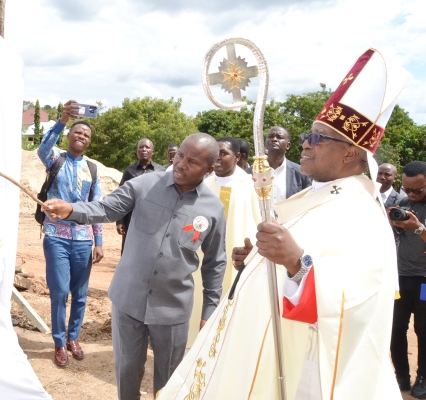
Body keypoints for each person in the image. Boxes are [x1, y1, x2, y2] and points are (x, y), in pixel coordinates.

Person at [158, 48, 405, 399]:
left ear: (351, 152)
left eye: (319, 137)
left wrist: (294, 261)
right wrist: (256, 261)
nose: (305, 142)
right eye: (309, 134)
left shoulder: (362, 210)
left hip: (306, 371)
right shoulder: (321, 195)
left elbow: (355, 300)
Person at [43, 133, 226, 400]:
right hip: (128, 301)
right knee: (127, 372)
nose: (181, 164)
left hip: (173, 310)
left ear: (210, 170)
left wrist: (209, 311)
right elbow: (105, 208)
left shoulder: (213, 209)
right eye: (180, 156)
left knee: (169, 379)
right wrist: (71, 209)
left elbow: (214, 264)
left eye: (193, 162)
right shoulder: (143, 184)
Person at [37, 100, 104, 368]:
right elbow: (41, 148)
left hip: (83, 241)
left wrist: (99, 241)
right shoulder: (56, 158)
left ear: (89, 142)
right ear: (70, 135)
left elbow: (97, 207)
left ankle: (73, 338)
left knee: (80, 292)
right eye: (78, 132)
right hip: (56, 236)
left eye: (86, 135)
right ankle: (58, 341)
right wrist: (63, 118)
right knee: (59, 291)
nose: (82, 137)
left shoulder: (93, 169)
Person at [187, 136, 261, 348]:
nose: (217, 158)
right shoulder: (203, 184)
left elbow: (260, 222)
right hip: (202, 256)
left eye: (223, 154)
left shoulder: (251, 186)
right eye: (214, 154)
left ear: (237, 157)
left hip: (236, 259)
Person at [389, 161, 426, 397]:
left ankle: (423, 376)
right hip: (400, 277)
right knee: (395, 328)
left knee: (423, 329)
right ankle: (402, 376)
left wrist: (419, 227)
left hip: (424, 280)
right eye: (407, 190)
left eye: (417, 190)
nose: (411, 195)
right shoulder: (402, 204)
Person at [116, 138, 165, 254]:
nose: (143, 149)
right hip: (131, 219)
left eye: (147, 147)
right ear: (137, 151)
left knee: (151, 251)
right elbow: (121, 197)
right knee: (129, 251)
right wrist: (119, 221)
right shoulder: (129, 171)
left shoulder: (161, 171)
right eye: (140, 147)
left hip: (154, 220)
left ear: (152, 152)